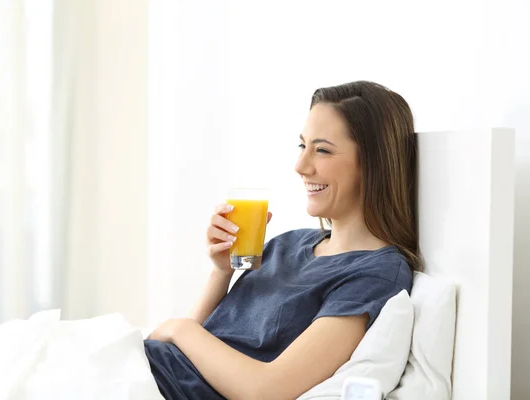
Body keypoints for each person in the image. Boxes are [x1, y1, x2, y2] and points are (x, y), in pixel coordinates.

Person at [143, 81, 421, 400]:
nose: (301, 166)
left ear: (372, 164)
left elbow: (267, 390)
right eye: (303, 146)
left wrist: (180, 328)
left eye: (323, 150)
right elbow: (193, 349)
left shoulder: (373, 275)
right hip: (149, 370)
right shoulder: (287, 244)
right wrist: (221, 273)